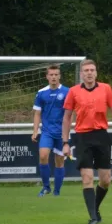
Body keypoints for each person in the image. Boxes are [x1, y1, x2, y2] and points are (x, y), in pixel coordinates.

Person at [61, 59, 112, 224]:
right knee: (87, 177)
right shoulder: (74, 92)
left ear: (96, 73)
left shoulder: (106, 89)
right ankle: (93, 217)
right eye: (86, 70)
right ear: (81, 74)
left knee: (105, 180)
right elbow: (67, 118)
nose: (89, 73)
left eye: (92, 70)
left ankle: (95, 208)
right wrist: (65, 142)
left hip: (101, 136)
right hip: (82, 138)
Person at [32, 64, 70, 196]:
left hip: (61, 133)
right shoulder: (41, 93)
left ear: (59, 76)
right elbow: (37, 113)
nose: (53, 77)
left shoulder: (67, 92)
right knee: (43, 156)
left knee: (59, 161)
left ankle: (57, 191)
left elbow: (71, 113)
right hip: (47, 132)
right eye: (51, 75)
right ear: (47, 76)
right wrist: (35, 131)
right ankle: (46, 187)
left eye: (56, 74)